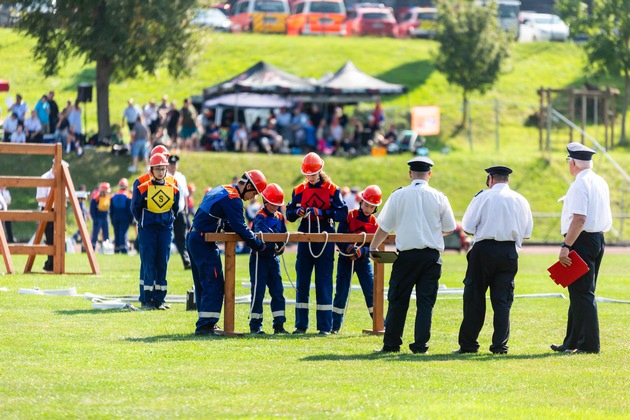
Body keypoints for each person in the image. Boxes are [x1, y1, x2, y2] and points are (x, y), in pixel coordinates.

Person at [369, 156, 456, 354]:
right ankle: (420, 346)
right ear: (429, 175)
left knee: (398, 300)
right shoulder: (439, 197)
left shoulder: (398, 196)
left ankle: (391, 344)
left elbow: (384, 226)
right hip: (431, 257)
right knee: (425, 303)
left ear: (410, 174)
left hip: (406, 257)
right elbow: (449, 228)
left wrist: (373, 247)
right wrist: (431, 233)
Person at [454, 166, 533, 355]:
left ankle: (469, 345)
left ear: (490, 178)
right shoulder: (520, 199)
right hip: (508, 252)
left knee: (474, 298)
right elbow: (527, 232)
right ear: (508, 179)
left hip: (484, 250)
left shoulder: (482, 197)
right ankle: (499, 346)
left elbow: (468, 227)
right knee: (503, 301)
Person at [188, 170, 268, 335]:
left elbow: (227, 222)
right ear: (247, 186)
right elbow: (240, 227)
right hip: (204, 242)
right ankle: (205, 326)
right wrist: (260, 246)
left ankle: (206, 323)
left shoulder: (224, 189)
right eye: (253, 192)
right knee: (214, 282)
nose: (252, 197)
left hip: (196, 238)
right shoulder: (233, 199)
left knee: (203, 283)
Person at [550, 143, 612, 354]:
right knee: (579, 292)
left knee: (582, 293)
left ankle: (588, 345)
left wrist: (566, 246)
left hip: (581, 241)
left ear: (573, 162)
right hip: (597, 239)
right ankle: (572, 341)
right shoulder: (600, 181)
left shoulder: (579, 184)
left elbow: (579, 219)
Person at [286, 152, 348, 335]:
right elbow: (288, 213)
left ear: (320, 171)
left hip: (325, 237)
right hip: (305, 237)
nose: (310, 178)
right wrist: (297, 213)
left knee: (324, 282)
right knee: (302, 283)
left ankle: (325, 326)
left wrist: (323, 213)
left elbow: (342, 214)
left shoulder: (332, 189)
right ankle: (300, 325)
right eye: (307, 175)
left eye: (313, 174)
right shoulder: (298, 190)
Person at [132, 153, 180, 310]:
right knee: (148, 263)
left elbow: (176, 208)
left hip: (165, 229)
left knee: (162, 264)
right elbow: (135, 208)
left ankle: (160, 300)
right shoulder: (142, 187)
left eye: (163, 168)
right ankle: (147, 299)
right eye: (157, 169)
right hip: (148, 230)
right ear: (151, 169)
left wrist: (167, 220)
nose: (160, 172)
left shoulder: (173, 188)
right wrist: (146, 221)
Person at [332, 185, 382, 333]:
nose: (368, 209)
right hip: (345, 259)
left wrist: (362, 251)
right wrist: (348, 247)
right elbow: (339, 236)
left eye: (372, 206)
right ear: (361, 202)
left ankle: (379, 324)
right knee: (341, 291)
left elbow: (375, 247)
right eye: (366, 204)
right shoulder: (349, 216)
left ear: (375, 208)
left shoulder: (375, 224)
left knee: (371, 291)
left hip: (363, 261)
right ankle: (334, 326)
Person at [248, 183, 289, 335]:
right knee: (258, 291)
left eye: (277, 204)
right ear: (265, 201)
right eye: (272, 204)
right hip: (260, 258)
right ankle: (255, 325)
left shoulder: (279, 217)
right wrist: (275, 243)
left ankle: (279, 325)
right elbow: (262, 233)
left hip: (273, 258)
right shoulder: (260, 216)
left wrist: (282, 245)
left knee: (278, 291)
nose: (274, 207)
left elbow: (284, 234)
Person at [36, 159, 62, 272]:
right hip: (47, 209)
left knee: (58, 238)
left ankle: (55, 264)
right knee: (50, 238)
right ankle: (50, 264)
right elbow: (40, 198)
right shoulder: (45, 177)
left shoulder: (60, 178)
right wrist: (55, 198)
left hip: (59, 210)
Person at [167, 155, 191, 269]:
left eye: (174, 164)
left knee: (181, 237)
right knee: (166, 236)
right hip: (167, 211)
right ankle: (162, 261)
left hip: (180, 211)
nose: (173, 166)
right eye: (171, 164)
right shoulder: (164, 177)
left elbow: (185, 195)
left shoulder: (181, 177)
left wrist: (186, 210)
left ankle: (186, 260)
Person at [110, 178, 134, 254]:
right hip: (124, 216)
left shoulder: (114, 195)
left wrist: (111, 219)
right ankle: (124, 249)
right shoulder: (128, 196)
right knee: (123, 233)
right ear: (126, 186)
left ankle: (116, 249)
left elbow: (111, 209)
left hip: (115, 216)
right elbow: (129, 209)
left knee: (116, 233)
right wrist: (131, 219)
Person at [90, 182, 111, 250]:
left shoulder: (108, 198)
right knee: (95, 234)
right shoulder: (95, 199)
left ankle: (106, 248)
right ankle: (92, 248)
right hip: (98, 218)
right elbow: (92, 210)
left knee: (106, 234)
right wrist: (95, 219)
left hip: (105, 218)